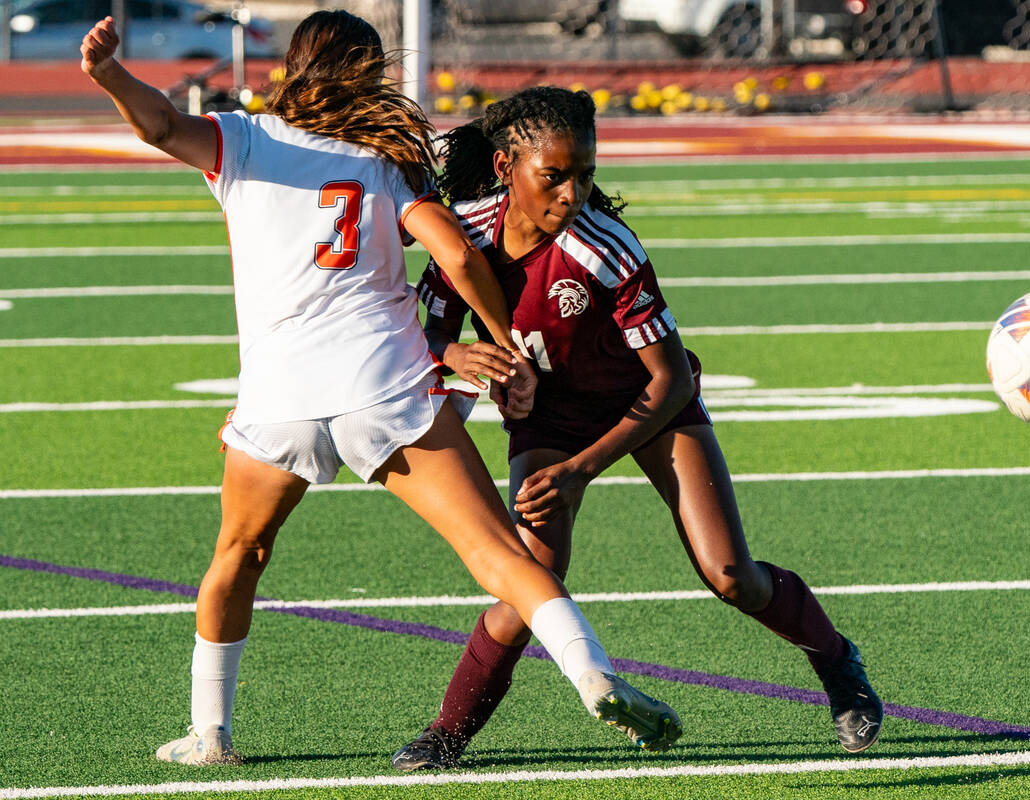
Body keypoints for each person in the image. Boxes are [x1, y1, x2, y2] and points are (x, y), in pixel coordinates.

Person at [80, 13, 680, 766]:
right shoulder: (384, 158)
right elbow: (459, 254)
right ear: (370, 75)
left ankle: (210, 733)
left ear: (296, 67)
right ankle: (592, 674)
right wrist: (500, 342)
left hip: (279, 398)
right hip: (384, 387)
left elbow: (162, 124)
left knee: (238, 553)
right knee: (496, 552)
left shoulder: (243, 138)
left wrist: (109, 75)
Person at [394, 86, 882, 771]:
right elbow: (431, 327)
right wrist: (455, 353)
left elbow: (671, 379)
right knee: (529, 573)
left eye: (585, 174)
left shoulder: (606, 246)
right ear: (505, 168)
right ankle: (448, 733)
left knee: (730, 575)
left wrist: (577, 470)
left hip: (651, 408)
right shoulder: (463, 233)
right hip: (551, 417)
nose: (572, 193)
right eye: (555, 176)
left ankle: (836, 659)